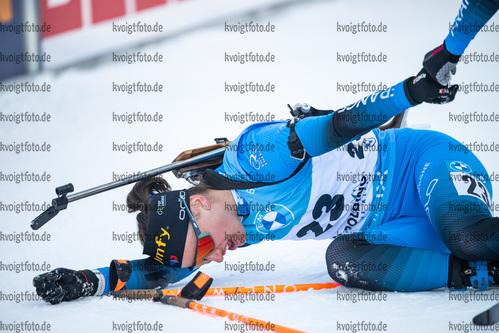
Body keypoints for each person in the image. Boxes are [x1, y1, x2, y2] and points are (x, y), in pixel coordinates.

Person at [33, 0, 499, 304]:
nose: (219, 258)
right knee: (343, 260)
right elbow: (161, 272)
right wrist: (87, 279)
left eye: (209, 246)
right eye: (207, 258)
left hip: (423, 166)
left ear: (198, 202)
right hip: (399, 223)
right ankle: (481, 275)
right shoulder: (240, 225)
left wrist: (410, 92)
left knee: (467, 235)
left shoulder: (253, 157)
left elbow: (337, 125)